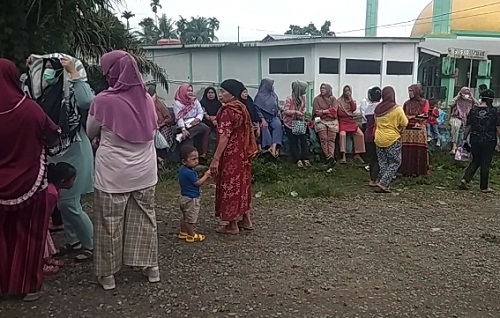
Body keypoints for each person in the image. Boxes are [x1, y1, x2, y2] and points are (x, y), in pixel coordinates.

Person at [87, 50, 160, 291]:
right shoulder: (147, 99)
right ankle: (151, 269)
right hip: (145, 171)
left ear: (112, 73)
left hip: (112, 173)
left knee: (109, 222)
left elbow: (91, 131)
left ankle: (108, 275)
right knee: (145, 219)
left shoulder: (103, 100)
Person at [24, 53, 95, 261]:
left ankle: (90, 244)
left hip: (74, 148)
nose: (47, 74)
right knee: (60, 199)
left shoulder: (72, 88)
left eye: (52, 69)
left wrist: (74, 73)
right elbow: (23, 91)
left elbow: (86, 101)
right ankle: (74, 242)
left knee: (70, 202)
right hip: (52, 150)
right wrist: (30, 69)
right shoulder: (39, 92)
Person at [0, 58, 60, 301]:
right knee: (30, 235)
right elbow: (54, 135)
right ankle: (28, 286)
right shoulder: (29, 109)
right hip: (30, 181)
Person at [210, 79, 258, 234]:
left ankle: (232, 225)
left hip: (230, 154)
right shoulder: (242, 108)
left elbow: (224, 136)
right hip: (243, 153)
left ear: (231, 94)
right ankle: (246, 219)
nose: (220, 94)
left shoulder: (228, 111)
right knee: (243, 185)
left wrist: (216, 158)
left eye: (223, 91)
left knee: (229, 185)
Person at [459, 89, 500, 192]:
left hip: (475, 139)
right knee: (485, 162)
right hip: (489, 139)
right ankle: (484, 186)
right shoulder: (494, 112)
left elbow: (468, 126)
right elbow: (498, 127)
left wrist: (464, 138)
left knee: (476, 160)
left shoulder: (473, 110)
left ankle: (465, 179)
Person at [374, 87, 409, 193]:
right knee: (395, 162)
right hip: (392, 138)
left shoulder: (377, 109)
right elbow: (405, 122)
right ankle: (383, 183)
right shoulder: (396, 109)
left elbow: (376, 123)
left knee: (383, 162)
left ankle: (380, 182)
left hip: (379, 138)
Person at [44, 163, 77, 275]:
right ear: (64, 181)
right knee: (40, 243)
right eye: (72, 179)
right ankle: (40, 264)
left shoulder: (54, 190)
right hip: (39, 222)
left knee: (45, 241)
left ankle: (46, 259)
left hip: (43, 221)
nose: (74, 182)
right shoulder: (50, 192)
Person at [177, 146, 211, 242]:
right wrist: (206, 175)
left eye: (197, 158)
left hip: (183, 196)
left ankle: (183, 232)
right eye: (193, 159)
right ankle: (191, 235)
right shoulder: (190, 173)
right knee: (191, 218)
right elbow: (198, 183)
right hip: (192, 198)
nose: (196, 161)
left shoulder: (182, 170)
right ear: (184, 161)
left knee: (184, 216)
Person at [173, 84, 210, 160]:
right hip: (183, 125)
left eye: (191, 91)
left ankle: (203, 154)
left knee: (206, 128)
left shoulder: (194, 101)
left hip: (194, 123)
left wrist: (197, 119)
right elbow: (179, 117)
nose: (190, 93)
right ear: (183, 91)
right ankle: (185, 135)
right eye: (188, 91)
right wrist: (183, 129)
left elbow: (200, 112)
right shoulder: (178, 103)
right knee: (202, 128)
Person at [399, 84, 429, 177]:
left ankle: (418, 171)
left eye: (411, 91)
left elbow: (425, 114)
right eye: (409, 91)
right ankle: (406, 170)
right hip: (407, 129)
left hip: (418, 129)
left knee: (418, 148)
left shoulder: (424, 102)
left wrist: (413, 117)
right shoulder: (407, 103)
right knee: (407, 149)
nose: (409, 93)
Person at [283, 80, 311, 167]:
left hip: (299, 122)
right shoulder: (289, 99)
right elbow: (285, 111)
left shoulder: (303, 98)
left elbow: (304, 108)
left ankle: (305, 157)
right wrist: (295, 112)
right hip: (290, 123)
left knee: (303, 140)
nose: (305, 91)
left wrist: (302, 113)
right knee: (293, 141)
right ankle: (297, 159)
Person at [254, 78, 283, 157]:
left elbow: (277, 105)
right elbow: (257, 109)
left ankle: (274, 146)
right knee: (264, 128)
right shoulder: (259, 96)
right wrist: (262, 119)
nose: (272, 87)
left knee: (278, 125)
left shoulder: (273, 94)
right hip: (264, 117)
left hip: (273, 116)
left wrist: (279, 110)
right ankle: (268, 147)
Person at [337, 85, 365, 164]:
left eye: (348, 91)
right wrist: (346, 114)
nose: (347, 92)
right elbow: (339, 113)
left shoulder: (352, 100)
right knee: (342, 135)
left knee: (360, 134)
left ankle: (357, 154)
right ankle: (343, 156)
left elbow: (353, 109)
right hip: (343, 121)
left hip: (350, 121)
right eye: (345, 91)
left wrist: (350, 100)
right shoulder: (339, 101)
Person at [313, 83, 338, 164]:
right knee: (324, 139)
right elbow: (317, 112)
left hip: (332, 121)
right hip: (320, 120)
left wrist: (323, 111)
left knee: (331, 139)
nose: (322, 89)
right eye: (321, 88)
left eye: (324, 88)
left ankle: (331, 155)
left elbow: (334, 111)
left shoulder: (333, 99)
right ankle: (328, 156)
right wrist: (327, 111)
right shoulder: (317, 99)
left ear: (328, 89)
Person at [363, 86, 382, 186]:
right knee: (379, 157)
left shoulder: (368, 108)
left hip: (368, 134)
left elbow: (366, 120)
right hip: (378, 134)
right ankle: (377, 178)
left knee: (371, 158)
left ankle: (372, 179)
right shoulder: (382, 107)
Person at [449, 87, 475, 154]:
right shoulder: (458, 99)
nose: (466, 95)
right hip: (457, 117)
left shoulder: (470, 100)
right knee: (455, 125)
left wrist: (472, 97)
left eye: (467, 93)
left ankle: (465, 147)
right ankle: (454, 147)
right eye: (464, 93)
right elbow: (450, 103)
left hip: (467, 118)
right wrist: (457, 96)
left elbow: (478, 104)